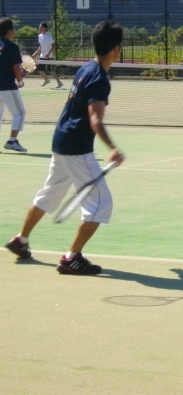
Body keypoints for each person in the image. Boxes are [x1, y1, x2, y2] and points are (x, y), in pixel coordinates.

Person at [4, 21, 125, 275]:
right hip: (77, 148)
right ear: (116, 49)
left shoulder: (85, 69)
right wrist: (113, 148)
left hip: (61, 141)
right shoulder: (100, 79)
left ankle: (21, 241)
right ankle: (72, 258)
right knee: (101, 204)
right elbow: (95, 120)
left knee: (49, 195)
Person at [0, 18, 28, 153]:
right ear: (9, 31)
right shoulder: (12, 47)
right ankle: (12, 141)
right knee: (20, 113)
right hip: (7, 86)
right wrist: (20, 81)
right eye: (14, 30)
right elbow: (16, 67)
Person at [33, 22, 63, 89]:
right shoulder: (39, 36)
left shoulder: (49, 36)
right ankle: (46, 80)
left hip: (49, 56)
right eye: (39, 27)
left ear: (45, 28)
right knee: (40, 70)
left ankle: (59, 82)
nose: (39, 28)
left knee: (50, 71)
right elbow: (41, 47)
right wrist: (36, 53)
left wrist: (48, 53)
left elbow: (54, 45)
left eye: (41, 27)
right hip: (42, 56)